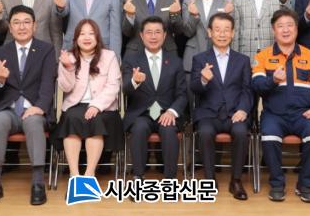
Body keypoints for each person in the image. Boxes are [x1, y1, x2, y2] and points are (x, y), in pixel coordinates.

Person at [0, 6, 57, 207]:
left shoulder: (46, 49)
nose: (21, 27)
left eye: (26, 22)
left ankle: (38, 183)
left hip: (34, 109)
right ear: (10, 27)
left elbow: (48, 83)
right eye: (16, 22)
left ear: (34, 26)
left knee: (33, 122)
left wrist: (40, 107)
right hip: (9, 110)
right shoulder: (0, 51)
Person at [252, 9, 310, 203]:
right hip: (274, 114)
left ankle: (305, 185)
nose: (285, 30)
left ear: (296, 28)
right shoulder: (263, 56)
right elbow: (257, 86)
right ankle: (277, 184)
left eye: (289, 25)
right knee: (269, 137)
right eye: (280, 26)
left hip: (304, 114)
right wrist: (273, 81)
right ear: (273, 30)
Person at [190, 13, 253, 200]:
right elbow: (194, 88)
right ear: (210, 33)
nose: (222, 34)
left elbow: (247, 89)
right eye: (217, 30)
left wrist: (243, 109)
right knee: (205, 133)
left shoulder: (243, 60)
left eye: (226, 30)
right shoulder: (200, 59)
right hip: (209, 114)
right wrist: (203, 79)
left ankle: (236, 181)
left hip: (235, 113)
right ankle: (209, 180)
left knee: (241, 132)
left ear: (233, 33)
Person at [54, 19, 123, 178]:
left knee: (95, 119)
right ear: (76, 38)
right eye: (82, 34)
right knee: (71, 118)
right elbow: (66, 88)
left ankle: (89, 173)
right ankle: (74, 174)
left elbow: (113, 86)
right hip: (75, 105)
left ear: (97, 37)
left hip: (104, 107)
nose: (87, 37)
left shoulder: (109, 56)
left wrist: (96, 105)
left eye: (91, 34)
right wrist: (68, 68)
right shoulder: (68, 57)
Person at [122, 16, 187, 180]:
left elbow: (182, 94)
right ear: (141, 36)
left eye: (157, 32)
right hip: (141, 113)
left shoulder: (175, 61)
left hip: (166, 113)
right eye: (149, 32)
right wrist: (134, 81)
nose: (153, 36)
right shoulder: (131, 60)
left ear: (164, 35)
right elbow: (125, 90)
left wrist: (172, 112)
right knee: (139, 128)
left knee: (169, 129)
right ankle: (138, 177)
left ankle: (170, 180)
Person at [181, 0, 233, 73]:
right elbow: (187, 33)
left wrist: (229, 14)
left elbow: (231, 32)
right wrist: (194, 16)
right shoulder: (188, 2)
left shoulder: (227, 3)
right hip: (193, 56)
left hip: (219, 57)